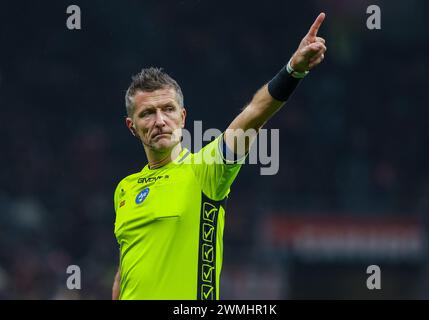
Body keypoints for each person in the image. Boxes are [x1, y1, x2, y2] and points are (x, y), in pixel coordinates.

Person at [112, 12, 327, 300]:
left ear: (183, 116)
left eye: (168, 109)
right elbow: (128, 266)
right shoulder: (125, 189)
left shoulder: (206, 169)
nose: (160, 120)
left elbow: (253, 116)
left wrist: (293, 70)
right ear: (132, 127)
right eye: (148, 113)